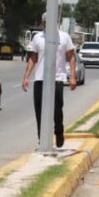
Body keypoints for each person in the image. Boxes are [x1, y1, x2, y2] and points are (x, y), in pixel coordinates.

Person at [22, 14, 77, 148]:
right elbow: (33, 58)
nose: (47, 24)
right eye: (45, 22)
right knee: (39, 110)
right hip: (40, 78)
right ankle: (42, 139)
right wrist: (26, 77)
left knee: (57, 109)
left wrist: (73, 77)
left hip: (57, 78)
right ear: (43, 23)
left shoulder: (64, 37)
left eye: (50, 21)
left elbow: (71, 57)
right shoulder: (37, 37)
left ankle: (59, 132)